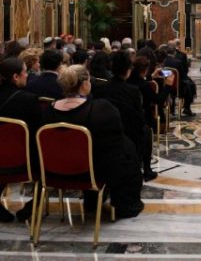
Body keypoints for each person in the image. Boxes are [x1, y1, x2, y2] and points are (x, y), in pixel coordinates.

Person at [43, 65, 144, 218]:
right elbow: (115, 142)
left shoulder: (47, 111)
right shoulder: (101, 109)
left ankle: (92, 200)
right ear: (85, 84)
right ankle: (124, 204)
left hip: (54, 171)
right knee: (126, 148)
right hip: (91, 172)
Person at [93, 51, 157, 182]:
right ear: (128, 70)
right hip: (128, 132)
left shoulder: (99, 88)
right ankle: (147, 169)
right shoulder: (133, 91)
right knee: (146, 131)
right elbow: (139, 117)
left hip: (104, 131)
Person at [0, 57, 41, 223]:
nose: (27, 75)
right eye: (25, 72)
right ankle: (31, 208)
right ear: (15, 77)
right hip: (24, 161)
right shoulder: (29, 100)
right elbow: (38, 132)